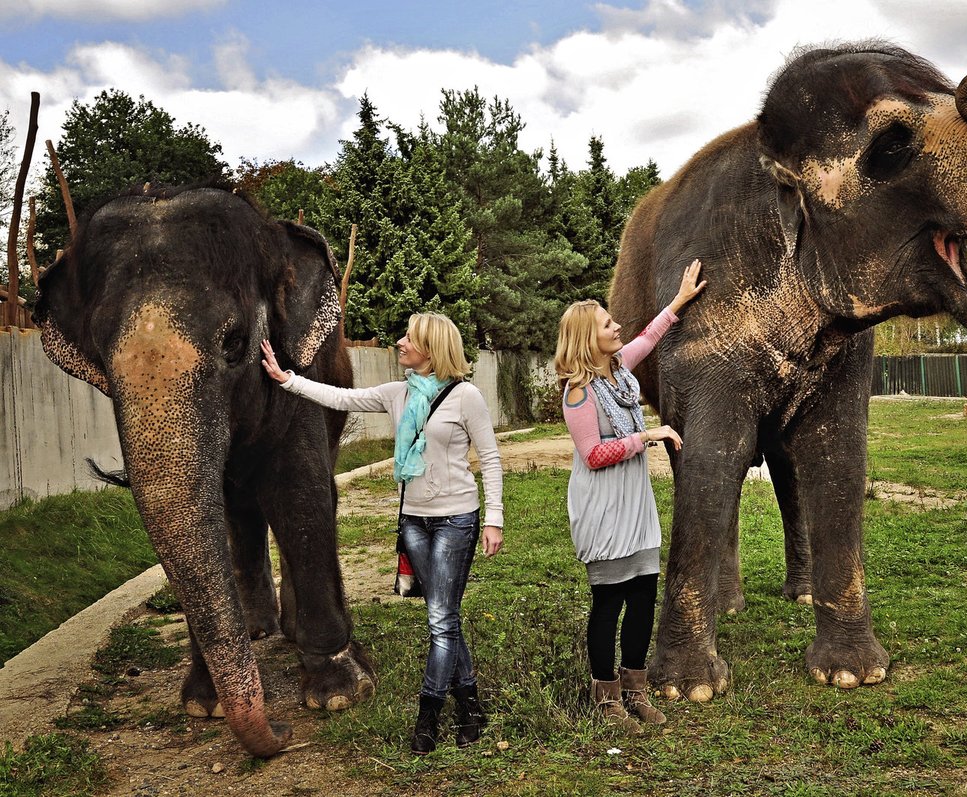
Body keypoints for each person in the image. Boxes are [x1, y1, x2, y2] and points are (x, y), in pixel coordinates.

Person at [260, 312, 503, 755]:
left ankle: (427, 717)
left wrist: (494, 518)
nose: (399, 342)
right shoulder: (398, 394)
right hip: (413, 520)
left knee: (440, 621)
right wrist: (287, 379)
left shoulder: (466, 397)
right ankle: (470, 706)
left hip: (456, 520)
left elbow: (489, 458)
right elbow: (339, 397)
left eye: (408, 337)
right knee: (443, 618)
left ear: (430, 349)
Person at [553, 258, 706, 729]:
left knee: (642, 598)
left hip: (635, 505)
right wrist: (649, 436)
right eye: (607, 324)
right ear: (587, 339)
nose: (617, 326)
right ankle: (606, 698)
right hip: (603, 508)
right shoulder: (578, 393)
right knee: (609, 602)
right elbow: (593, 453)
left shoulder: (620, 373)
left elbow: (648, 337)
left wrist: (679, 301)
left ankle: (635, 691)